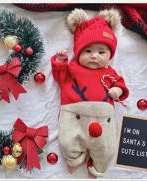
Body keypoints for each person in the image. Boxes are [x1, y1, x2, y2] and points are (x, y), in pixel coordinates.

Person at [51, 9, 129, 177]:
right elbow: (60, 76)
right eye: (87, 51)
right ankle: (73, 159)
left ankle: (99, 167)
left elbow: (121, 86)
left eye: (101, 52)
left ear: (110, 55)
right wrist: (60, 62)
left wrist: (117, 89)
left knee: (107, 148)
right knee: (67, 141)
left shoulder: (110, 73)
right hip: (74, 114)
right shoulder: (73, 68)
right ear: (78, 53)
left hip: (103, 118)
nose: (94, 56)